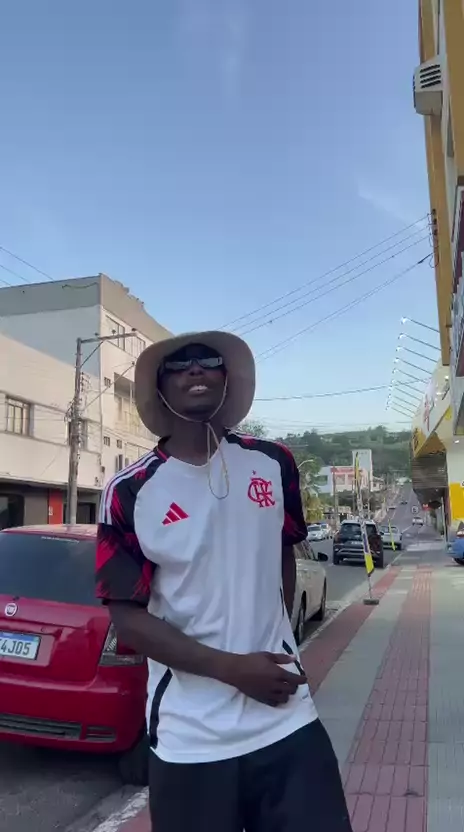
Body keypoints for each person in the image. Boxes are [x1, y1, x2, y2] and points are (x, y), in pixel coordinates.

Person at [96, 330, 353, 832]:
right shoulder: (130, 490)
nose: (195, 369)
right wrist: (233, 668)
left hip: (286, 718)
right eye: (179, 364)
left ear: (227, 379)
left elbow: (282, 551)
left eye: (208, 360)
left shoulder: (274, 463)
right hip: (191, 738)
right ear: (160, 388)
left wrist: (278, 640)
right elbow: (126, 619)